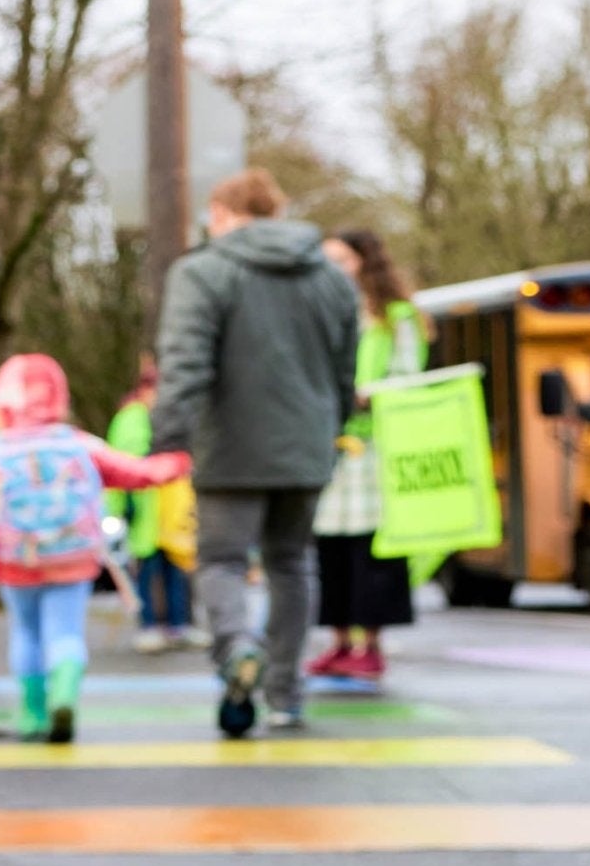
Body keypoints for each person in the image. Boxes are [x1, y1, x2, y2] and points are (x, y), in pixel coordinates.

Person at [151, 168, 360, 736]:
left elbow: (185, 364)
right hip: (308, 448)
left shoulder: (202, 273)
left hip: (229, 449)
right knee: (292, 563)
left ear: (221, 213)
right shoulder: (334, 280)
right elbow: (346, 375)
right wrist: (330, 432)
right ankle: (286, 694)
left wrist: (166, 439)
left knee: (221, 561)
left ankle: (237, 650)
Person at [0, 354, 190, 743]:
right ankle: (64, 694)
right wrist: (179, 460)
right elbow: (139, 472)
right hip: (74, 554)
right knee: (65, 632)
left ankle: (32, 713)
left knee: (26, 633)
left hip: (15, 560)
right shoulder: (78, 443)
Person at [308, 229, 428, 684]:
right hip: (330, 448)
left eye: (341, 260)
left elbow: (406, 376)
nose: (332, 269)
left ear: (364, 261)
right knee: (331, 549)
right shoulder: (326, 311)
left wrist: (364, 396)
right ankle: (339, 643)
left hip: (375, 449)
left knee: (370, 551)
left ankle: (371, 646)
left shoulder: (396, 317)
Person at [106, 356, 199, 652]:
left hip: (173, 509)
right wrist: (117, 508)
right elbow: (119, 462)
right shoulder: (130, 418)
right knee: (146, 570)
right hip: (143, 509)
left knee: (177, 568)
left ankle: (179, 624)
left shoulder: (176, 414)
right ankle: (148, 625)